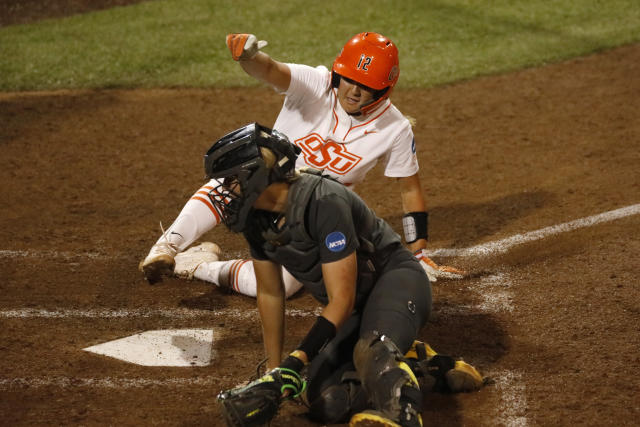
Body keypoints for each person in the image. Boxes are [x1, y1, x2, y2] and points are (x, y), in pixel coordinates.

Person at [140, 31, 466, 297]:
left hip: (310, 215)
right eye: (349, 79)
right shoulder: (316, 83)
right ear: (338, 72)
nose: (353, 91)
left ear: (383, 90)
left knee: (280, 286)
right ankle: (165, 247)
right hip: (264, 187)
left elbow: (409, 191)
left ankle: (196, 266)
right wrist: (248, 57)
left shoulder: (394, 129)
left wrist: (419, 251)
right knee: (243, 170)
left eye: (366, 87)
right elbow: (271, 70)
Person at [206, 123, 483, 426]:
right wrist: (277, 370)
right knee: (327, 401)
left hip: (395, 282)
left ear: (257, 177)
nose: (225, 191)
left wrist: (296, 360)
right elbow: (270, 292)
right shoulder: (256, 223)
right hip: (354, 310)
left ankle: (401, 415)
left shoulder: (323, 201)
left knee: (372, 350)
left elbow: (341, 299)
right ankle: (423, 368)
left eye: (232, 180)